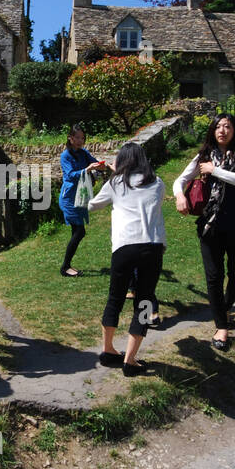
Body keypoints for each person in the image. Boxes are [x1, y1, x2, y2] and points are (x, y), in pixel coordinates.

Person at [174, 113, 235, 352]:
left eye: (227, 126)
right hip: (210, 226)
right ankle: (221, 326)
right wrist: (180, 195)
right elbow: (180, 179)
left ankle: (224, 307)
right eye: (218, 126)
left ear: (234, 130)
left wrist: (214, 170)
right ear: (213, 130)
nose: (222, 130)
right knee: (214, 276)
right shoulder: (203, 156)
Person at [88, 142, 166, 376]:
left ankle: (108, 349)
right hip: (151, 247)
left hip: (124, 247)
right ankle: (130, 360)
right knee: (143, 302)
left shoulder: (115, 183)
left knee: (115, 299)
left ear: (121, 161)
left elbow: (92, 206)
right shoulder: (158, 183)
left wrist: (112, 177)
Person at [58, 125, 108, 277]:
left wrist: (103, 166)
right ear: (70, 138)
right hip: (69, 198)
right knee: (79, 231)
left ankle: (67, 266)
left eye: (82, 138)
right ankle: (65, 267)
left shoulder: (84, 153)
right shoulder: (65, 156)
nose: (80, 141)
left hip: (81, 196)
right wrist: (87, 170)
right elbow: (70, 175)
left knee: (77, 231)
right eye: (77, 137)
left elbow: (97, 165)